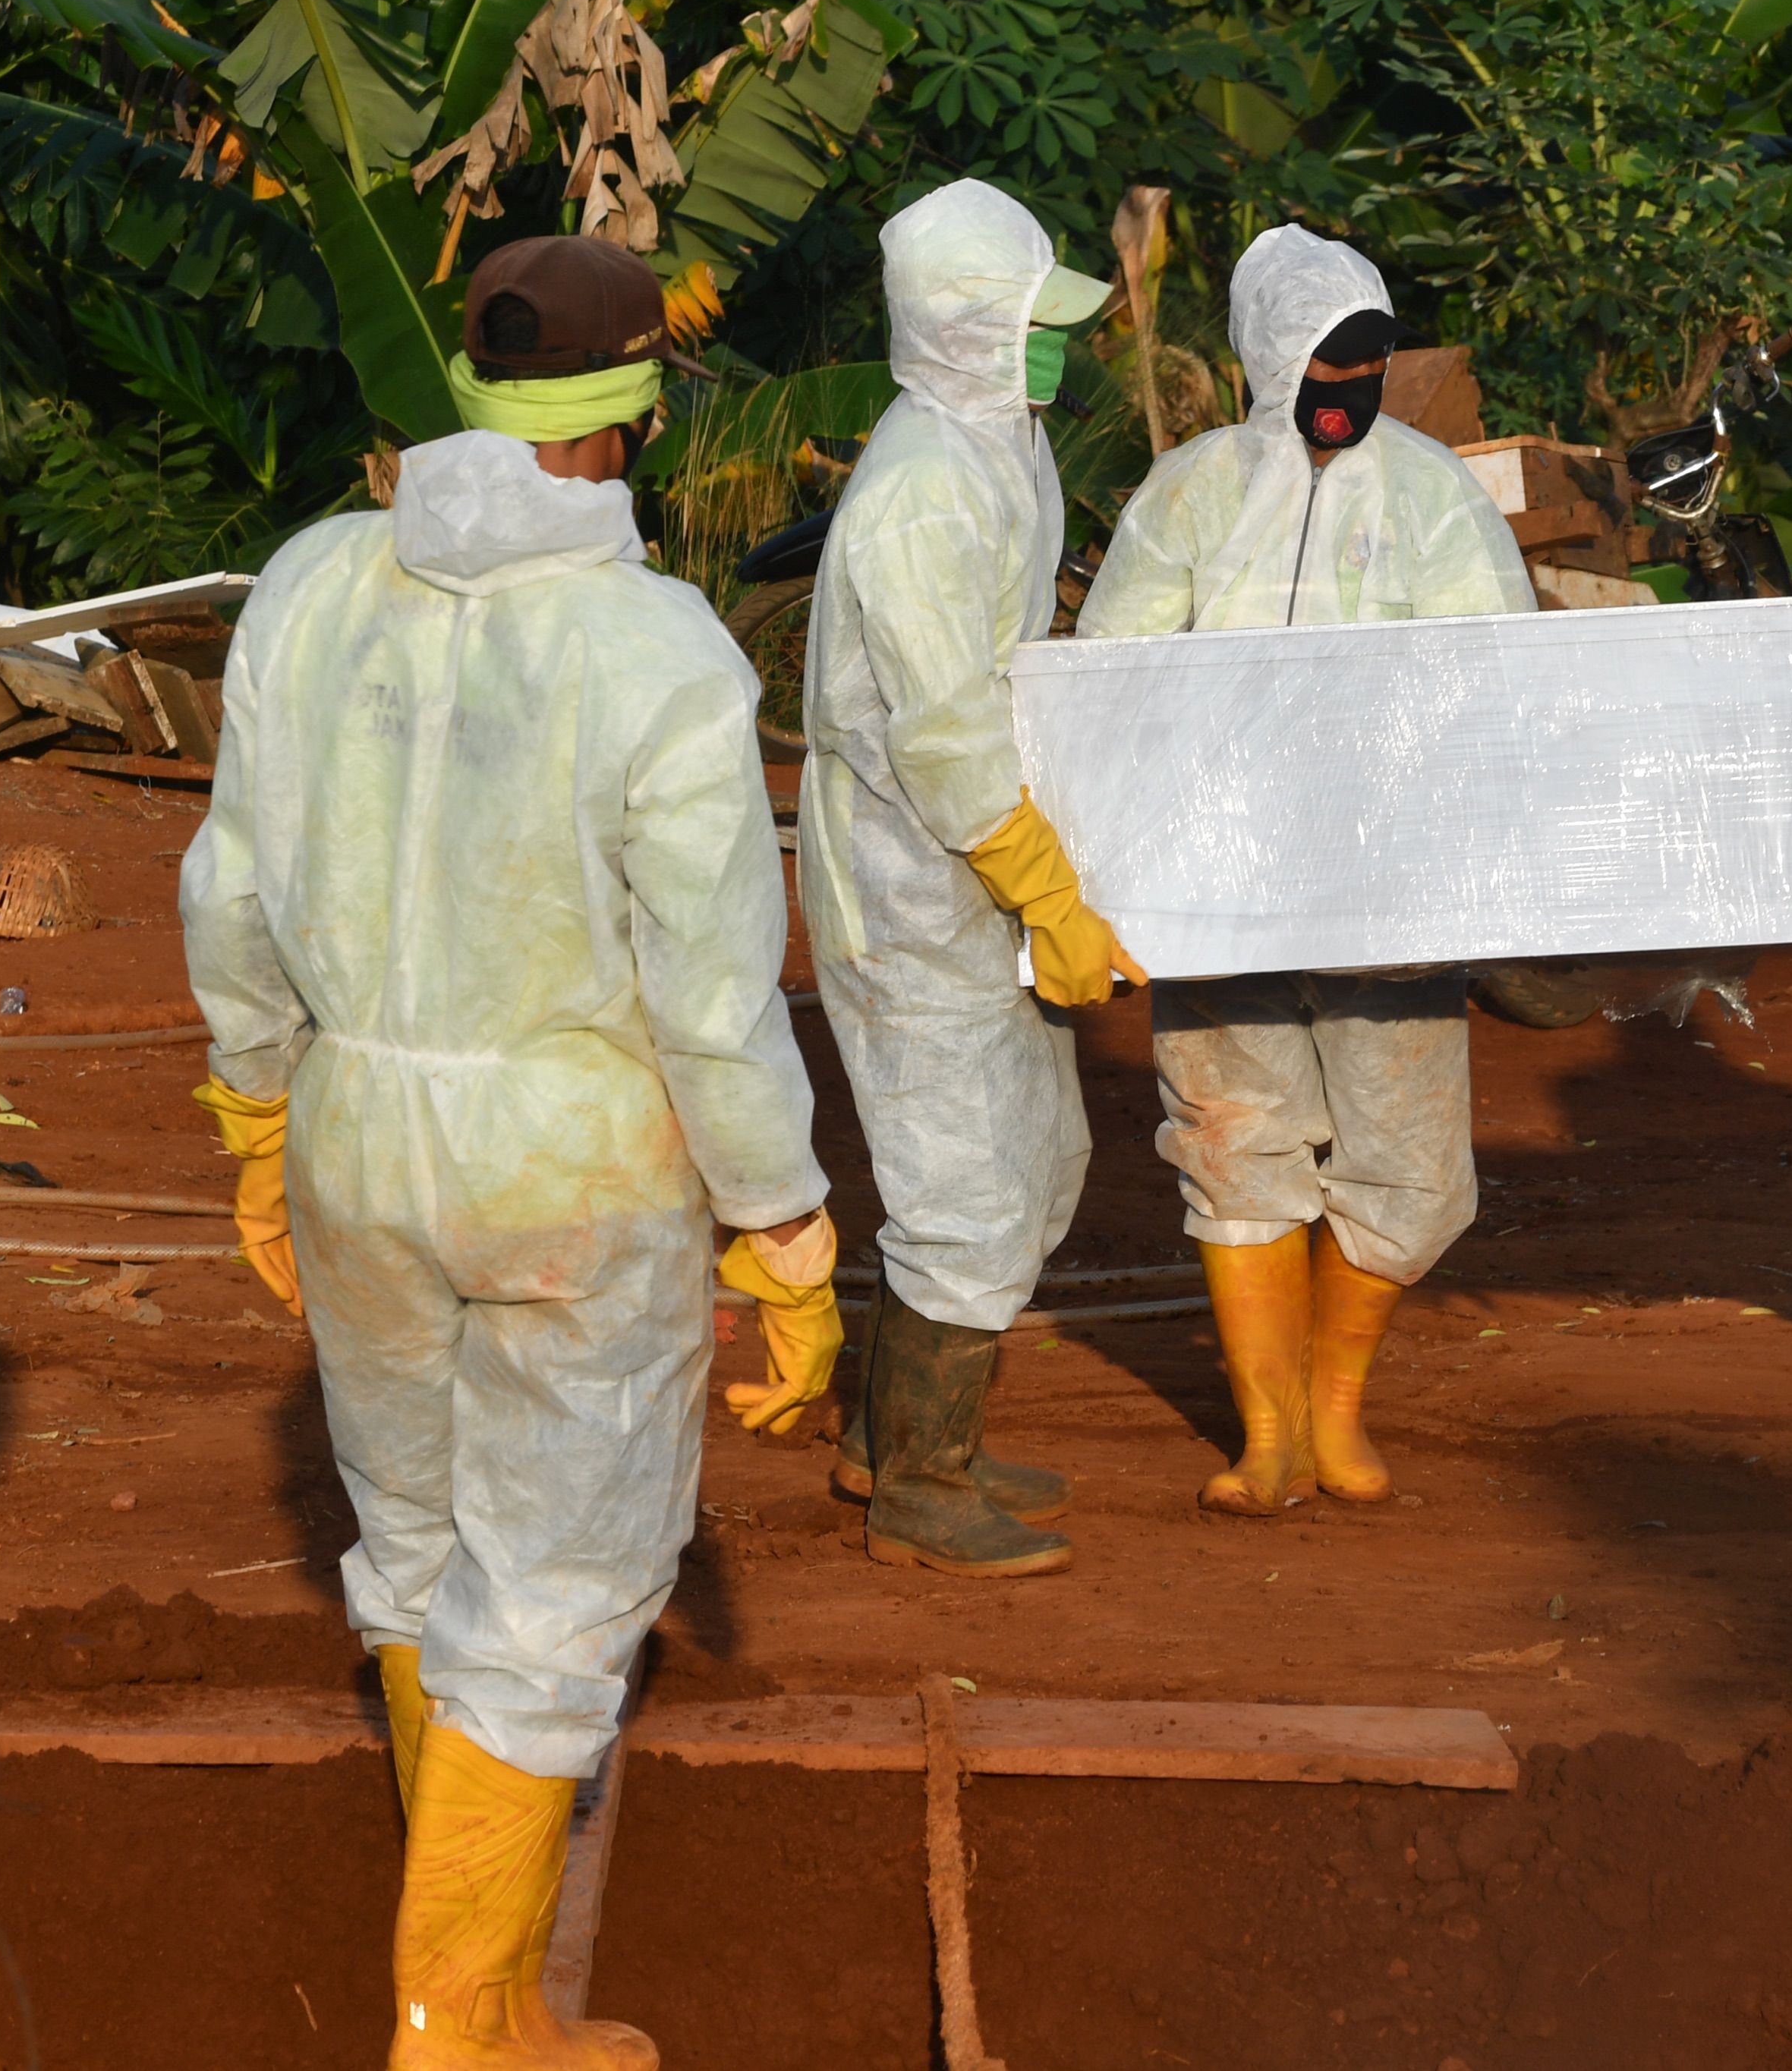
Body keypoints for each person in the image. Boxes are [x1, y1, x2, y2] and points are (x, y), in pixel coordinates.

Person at [184, 230, 836, 2067]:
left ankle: (465, 1972)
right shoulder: (655, 647)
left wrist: (255, 1113)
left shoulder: (312, 583)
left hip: (356, 1131)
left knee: (411, 1549)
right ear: (630, 416)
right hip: (575, 1162)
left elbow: (228, 885)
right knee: (550, 1601)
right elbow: (713, 996)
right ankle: (463, 2027)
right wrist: (782, 1223)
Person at [1076, 223, 1530, 1515]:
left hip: (1389, 890)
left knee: (1416, 1170)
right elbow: (1116, 672)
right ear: (1275, 361)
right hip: (1216, 890)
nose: (1350, 396)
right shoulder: (1193, 494)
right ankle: (1271, 1434)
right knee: (1233, 1142)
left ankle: (1340, 1410)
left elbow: (1498, 676)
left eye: (1372, 370)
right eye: (1329, 369)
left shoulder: (1434, 492)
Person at [799, 178, 1137, 1582]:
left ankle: (897, 1432)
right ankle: (921, 1488)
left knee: (1038, 1157)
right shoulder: (922, 497)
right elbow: (943, 745)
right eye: (1028, 327)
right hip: (914, 879)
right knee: (962, 1188)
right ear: (963, 332)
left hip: (966, 874)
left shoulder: (997, 441)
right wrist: (1047, 893)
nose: (1052, 351)